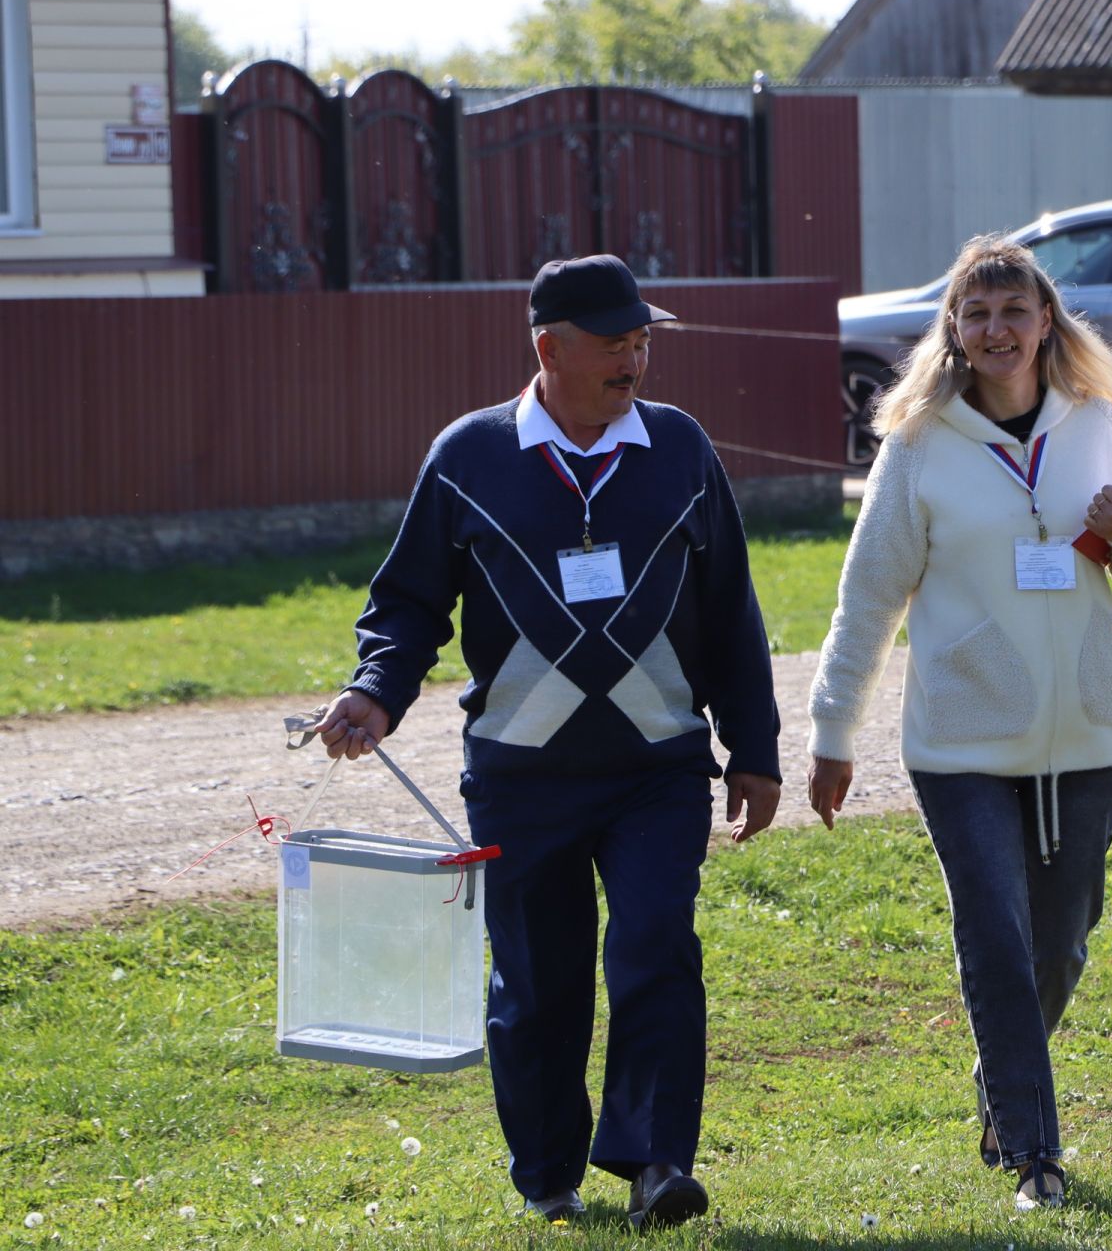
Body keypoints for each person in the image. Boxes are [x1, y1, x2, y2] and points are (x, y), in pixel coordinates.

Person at [315, 253, 781, 1229]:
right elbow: (406, 603)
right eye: (613, 340)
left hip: (656, 769)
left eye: (641, 336)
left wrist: (754, 745)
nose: (633, 355)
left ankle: (656, 1163)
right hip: (521, 780)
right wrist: (374, 690)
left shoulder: (681, 450)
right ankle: (548, 1173)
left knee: (656, 946)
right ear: (548, 347)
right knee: (539, 981)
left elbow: (731, 608)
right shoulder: (470, 456)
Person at [806, 235, 1112, 1210]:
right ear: (955, 332)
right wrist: (831, 730)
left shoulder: (1099, 425)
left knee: (1061, 945)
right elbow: (867, 598)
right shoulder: (920, 444)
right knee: (997, 941)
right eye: (976, 315)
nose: (996, 329)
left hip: (1086, 736)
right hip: (963, 745)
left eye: (1014, 312)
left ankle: (1000, 1081)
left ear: (1046, 322)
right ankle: (1033, 1150)